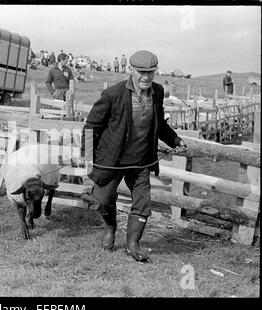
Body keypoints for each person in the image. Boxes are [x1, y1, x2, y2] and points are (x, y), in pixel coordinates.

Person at [80, 50, 187, 262]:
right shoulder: (113, 94)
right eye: (141, 72)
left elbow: (160, 123)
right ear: (131, 70)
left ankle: (133, 245)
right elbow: (92, 126)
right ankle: (110, 227)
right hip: (112, 160)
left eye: (150, 72)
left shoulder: (158, 91)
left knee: (143, 202)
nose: (146, 77)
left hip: (141, 161)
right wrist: (89, 156)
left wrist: (175, 140)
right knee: (103, 199)